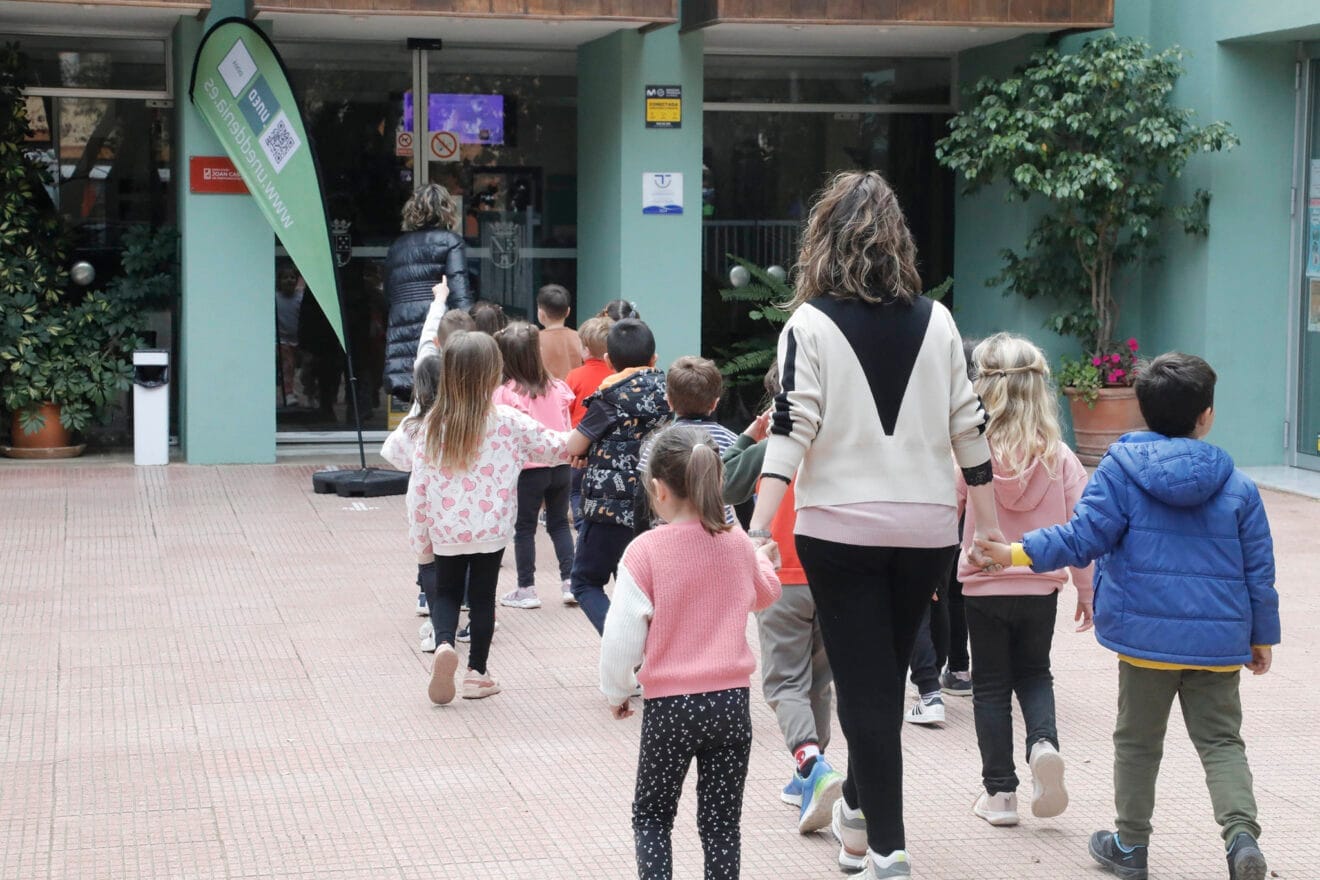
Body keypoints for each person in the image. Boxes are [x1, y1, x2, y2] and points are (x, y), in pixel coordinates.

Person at [745, 170, 1005, 880]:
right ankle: (857, 816)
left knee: (868, 686)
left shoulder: (809, 323)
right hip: (924, 530)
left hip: (838, 535)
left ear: (821, 240)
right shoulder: (940, 320)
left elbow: (792, 430)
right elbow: (971, 430)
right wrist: (987, 532)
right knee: (880, 679)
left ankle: (888, 849)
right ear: (899, 241)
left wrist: (761, 526)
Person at [976, 352, 1279, 880]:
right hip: (1217, 645)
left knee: (1138, 743)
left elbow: (1081, 538)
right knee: (1222, 742)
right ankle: (1241, 837)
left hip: (1145, 640)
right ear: (1206, 415)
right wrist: (1262, 637)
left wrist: (1015, 553)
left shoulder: (1121, 470)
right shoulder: (1239, 487)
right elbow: (1259, 570)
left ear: (1142, 411)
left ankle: (1130, 845)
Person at [599, 425, 783, 880]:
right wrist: (758, 557)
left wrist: (617, 691)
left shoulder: (644, 550)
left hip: (670, 707)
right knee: (722, 825)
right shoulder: (736, 543)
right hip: (730, 704)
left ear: (658, 489)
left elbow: (620, 638)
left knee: (653, 816)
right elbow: (764, 594)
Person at [949, 333, 1094, 828]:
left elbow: (945, 512)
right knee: (1035, 673)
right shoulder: (1061, 458)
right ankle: (1044, 744)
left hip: (984, 586)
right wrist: (1089, 593)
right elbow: (1083, 531)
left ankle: (1001, 796)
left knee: (989, 687)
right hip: (1040, 585)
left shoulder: (970, 453)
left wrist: (928, 576)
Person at [407, 331, 575, 704]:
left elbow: (417, 487)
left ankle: (445, 644)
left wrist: (421, 540)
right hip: (492, 528)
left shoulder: (433, 424)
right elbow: (557, 446)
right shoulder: (508, 421)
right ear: (493, 373)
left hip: (446, 528)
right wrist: (594, 431)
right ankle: (477, 674)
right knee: (483, 598)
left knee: (448, 591)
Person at [723, 361, 845, 837]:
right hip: (833, 574)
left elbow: (726, 483)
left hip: (783, 574)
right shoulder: (840, 438)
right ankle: (808, 773)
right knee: (818, 681)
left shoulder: (774, 441)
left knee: (782, 684)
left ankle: (813, 766)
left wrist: (748, 437)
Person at [568, 318, 670, 634]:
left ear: (609, 362)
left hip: (610, 510)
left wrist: (587, 451)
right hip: (658, 508)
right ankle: (653, 655)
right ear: (654, 359)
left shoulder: (609, 397)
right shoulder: (671, 392)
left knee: (585, 582)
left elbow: (574, 444)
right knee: (643, 588)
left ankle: (625, 646)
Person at [492, 322, 576, 611]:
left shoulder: (505, 393)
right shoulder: (556, 386)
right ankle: (570, 582)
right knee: (559, 525)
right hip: (561, 464)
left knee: (524, 528)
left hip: (528, 469)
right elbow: (565, 424)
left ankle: (526, 588)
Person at [384, 184, 473, 402]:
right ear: (446, 210)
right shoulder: (451, 242)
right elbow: (459, 293)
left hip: (401, 336)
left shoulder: (397, 246)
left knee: (415, 408)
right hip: (437, 333)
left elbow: (389, 294)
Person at [381, 355, 444, 643]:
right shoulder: (462, 420)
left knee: (428, 563)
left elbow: (393, 455)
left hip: (423, 504)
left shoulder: (414, 425)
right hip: (461, 504)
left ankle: (437, 625)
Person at [637, 356, 740, 527]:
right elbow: (742, 494)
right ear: (715, 403)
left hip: (667, 537)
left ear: (669, 401)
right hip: (719, 533)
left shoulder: (657, 442)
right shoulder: (732, 442)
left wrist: (639, 537)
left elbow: (642, 497)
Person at [565, 315, 615, 540]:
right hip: (608, 448)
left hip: (580, 448)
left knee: (576, 491)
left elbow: (566, 410)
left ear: (585, 349)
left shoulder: (574, 376)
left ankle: (582, 528)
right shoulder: (616, 376)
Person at [536, 283, 583, 380]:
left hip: (545, 393)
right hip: (574, 392)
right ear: (568, 312)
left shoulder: (534, 340)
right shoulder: (580, 337)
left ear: (541, 313)